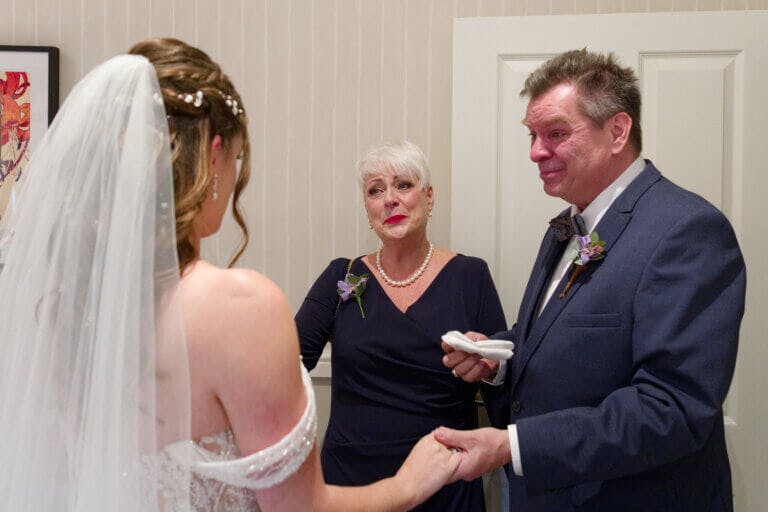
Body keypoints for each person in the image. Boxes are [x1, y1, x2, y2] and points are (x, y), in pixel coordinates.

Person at [0, 38, 461, 511]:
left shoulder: (59, 310)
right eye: (238, 157)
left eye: (404, 186)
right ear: (214, 152)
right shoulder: (241, 305)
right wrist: (409, 485)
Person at [438, 49, 746, 511]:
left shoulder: (686, 230)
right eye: (532, 135)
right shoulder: (566, 227)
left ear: (618, 131)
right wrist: (500, 358)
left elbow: (673, 409)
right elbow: (565, 341)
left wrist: (514, 446)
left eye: (556, 133)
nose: (535, 152)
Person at [296, 140, 507, 511]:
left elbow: (501, 385)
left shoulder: (470, 276)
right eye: (376, 190)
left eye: (403, 185)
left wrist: (489, 366)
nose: (389, 199)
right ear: (368, 208)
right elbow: (288, 365)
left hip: (444, 479)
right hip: (351, 486)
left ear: (429, 196)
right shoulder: (341, 276)